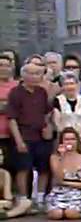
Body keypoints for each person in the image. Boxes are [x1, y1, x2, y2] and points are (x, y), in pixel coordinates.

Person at [7, 63, 55, 206]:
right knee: (23, 168)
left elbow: (47, 112)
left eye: (38, 74)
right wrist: (19, 141)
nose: (34, 77)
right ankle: (23, 198)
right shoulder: (15, 93)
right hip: (24, 135)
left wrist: (49, 127)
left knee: (44, 168)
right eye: (31, 73)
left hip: (41, 136)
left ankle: (40, 197)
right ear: (23, 75)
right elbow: (12, 119)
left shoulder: (42, 92)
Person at [44, 129, 81, 220]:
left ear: (77, 141)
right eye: (66, 139)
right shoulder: (54, 158)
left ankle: (80, 211)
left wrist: (66, 183)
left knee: (70, 213)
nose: (70, 142)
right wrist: (62, 157)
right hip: (59, 193)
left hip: (78, 193)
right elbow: (59, 178)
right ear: (61, 142)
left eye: (73, 139)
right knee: (56, 214)